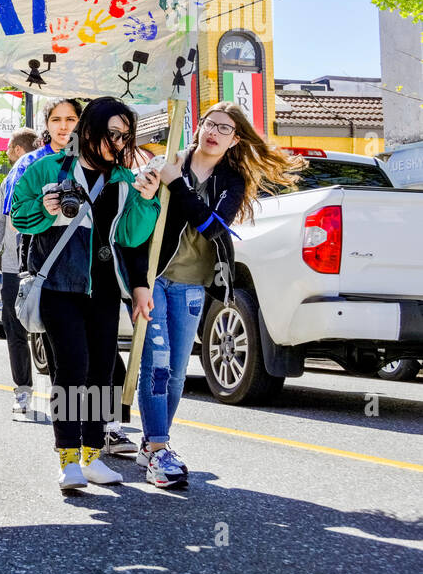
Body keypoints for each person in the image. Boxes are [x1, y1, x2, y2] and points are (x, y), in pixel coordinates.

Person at [127, 102, 302, 488]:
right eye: (210, 123)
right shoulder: (169, 160)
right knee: (155, 367)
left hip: (192, 282)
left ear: (235, 139)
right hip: (153, 275)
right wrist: (150, 187)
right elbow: (138, 214)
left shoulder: (232, 180)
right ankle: (159, 449)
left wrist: (176, 184)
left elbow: (212, 226)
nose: (214, 132)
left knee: (175, 372)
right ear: (199, 126)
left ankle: (150, 444)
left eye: (225, 129)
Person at [11, 96, 160, 491]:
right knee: (71, 368)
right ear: (90, 129)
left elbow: (132, 237)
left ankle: (93, 455)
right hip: (61, 285)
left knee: (100, 372)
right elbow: (19, 217)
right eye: (112, 133)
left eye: (124, 136)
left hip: (105, 288)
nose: (117, 142)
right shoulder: (47, 168)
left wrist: (147, 201)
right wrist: (44, 207)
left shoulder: (125, 180)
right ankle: (68, 459)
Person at [0, 126, 41, 418]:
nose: (6, 153)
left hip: (42, 267)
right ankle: (23, 392)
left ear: (19, 149)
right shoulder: (10, 180)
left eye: (9, 149)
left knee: (52, 334)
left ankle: (66, 401)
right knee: (15, 331)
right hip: (13, 270)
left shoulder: (47, 170)